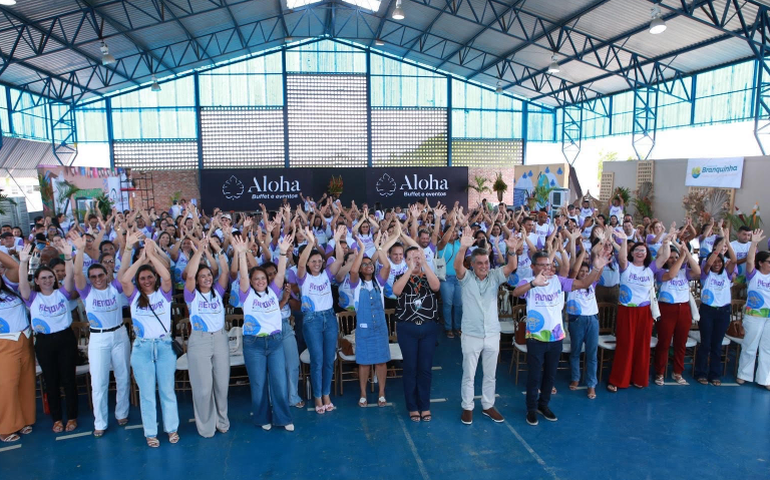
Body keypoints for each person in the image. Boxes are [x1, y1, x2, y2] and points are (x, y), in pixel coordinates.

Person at [512, 250, 608, 426]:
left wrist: (596, 268)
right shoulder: (528, 282)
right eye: (542, 265)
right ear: (533, 267)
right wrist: (534, 283)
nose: (547, 268)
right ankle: (531, 409)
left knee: (550, 375)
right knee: (534, 376)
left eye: (549, 264)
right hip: (535, 337)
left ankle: (544, 405)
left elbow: (585, 283)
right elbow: (516, 293)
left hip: (556, 337)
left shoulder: (559, 281)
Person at [455, 226, 520, 425]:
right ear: (472, 264)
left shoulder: (494, 276)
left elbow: (510, 267)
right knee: (469, 374)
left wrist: (511, 251)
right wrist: (462, 248)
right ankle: (467, 407)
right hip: (471, 334)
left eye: (486, 262)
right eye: (480, 263)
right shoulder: (465, 279)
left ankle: (488, 405)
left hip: (492, 333)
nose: (484, 266)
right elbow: (457, 267)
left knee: (490, 374)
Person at [119, 238, 180, 448]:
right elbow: (125, 280)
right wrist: (141, 259)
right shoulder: (134, 296)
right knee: (146, 394)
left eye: (149, 277)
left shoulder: (164, 293)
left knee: (167, 390)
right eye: (142, 278)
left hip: (164, 347)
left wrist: (151, 255)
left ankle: (171, 428)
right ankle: (151, 432)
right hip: (142, 348)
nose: (146, 280)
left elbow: (166, 275)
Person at [71, 231, 131, 437]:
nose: (97, 279)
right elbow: (77, 274)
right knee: (99, 382)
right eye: (93, 276)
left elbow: (123, 269)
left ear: (107, 274)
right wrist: (79, 250)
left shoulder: (115, 287)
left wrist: (128, 247)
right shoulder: (87, 292)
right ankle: (100, 422)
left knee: (122, 376)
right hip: (98, 338)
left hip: (119, 335)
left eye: (100, 275)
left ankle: (122, 413)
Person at [233, 235, 295, 431]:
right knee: (259, 384)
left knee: (279, 381)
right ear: (251, 282)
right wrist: (242, 254)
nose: (260, 281)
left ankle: (283, 418)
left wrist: (283, 252)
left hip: (275, 342)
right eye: (256, 279)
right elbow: (243, 275)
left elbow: (281, 271)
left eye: (263, 278)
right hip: (254, 345)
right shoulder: (246, 294)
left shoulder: (274, 291)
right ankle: (262, 418)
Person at [18, 240, 79, 433]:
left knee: (68, 379)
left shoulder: (63, 293)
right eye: (43, 278)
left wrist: (68, 257)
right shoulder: (32, 298)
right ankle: (57, 419)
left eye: (49, 277)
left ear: (54, 278)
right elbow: (22, 284)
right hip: (44, 342)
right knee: (50, 381)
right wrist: (23, 262)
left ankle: (71, 417)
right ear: (36, 281)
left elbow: (70, 277)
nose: (47, 280)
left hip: (65, 339)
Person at [607, 229, 672, 392]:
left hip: (645, 312)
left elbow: (664, 257)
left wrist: (666, 242)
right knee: (625, 345)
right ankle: (618, 379)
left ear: (647, 253)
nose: (640, 252)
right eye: (637, 250)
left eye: (643, 250)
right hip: (626, 311)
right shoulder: (626, 266)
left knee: (642, 345)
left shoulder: (650, 268)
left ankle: (639, 378)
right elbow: (621, 257)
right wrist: (623, 241)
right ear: (632, 253)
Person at [183, 236, 231, 438]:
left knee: (221, 385)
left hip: (219, 339)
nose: (207, 278)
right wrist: (198, 252)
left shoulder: (218, 293)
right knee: (203, 388)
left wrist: (216, 249)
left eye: (209, 275)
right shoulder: (191, 295)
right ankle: (206, 426)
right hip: (199, 341)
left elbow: (225, 271)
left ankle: (222, 420)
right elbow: (190, 276)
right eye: (202, 276)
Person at [393, 245, 441, 422]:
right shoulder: (401, 277)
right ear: (405, 260)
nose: (416, 259)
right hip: (407, 328)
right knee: (410, 368)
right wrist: (410, 269)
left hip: (428, 327)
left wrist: (425, 264)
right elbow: (397, 291)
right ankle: (412, 407)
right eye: (411, 257)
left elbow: (436, 287)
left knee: (425, 369)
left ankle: (425, 405)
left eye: (418, 256)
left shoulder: (428, 276)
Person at [297, 227, 342, 414]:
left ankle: (326, 394)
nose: (316, 263)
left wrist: (337, 240)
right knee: (317, 360)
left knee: (329, 359)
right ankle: (317, 396)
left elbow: (339, 260)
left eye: (319, 260)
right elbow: (299, 265)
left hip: (329, 318)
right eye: (313, 261)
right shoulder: (302, 278)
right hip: (312, 320)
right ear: (308, 263)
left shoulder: (327, 274)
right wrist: (310, 243)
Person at [348, 235, 391, 407]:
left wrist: (378, 247)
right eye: (364, 264)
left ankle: (381, 392)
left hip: (380, 328)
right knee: (364, 362)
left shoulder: (378, 283)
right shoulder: (356, 284)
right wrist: (363, 251)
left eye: (370, 263)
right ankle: (363, 393)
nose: (368, 266)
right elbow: (352, 271)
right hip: (364, 330)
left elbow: (386, 266)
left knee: (381, 361)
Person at [653, 239, 700, 386]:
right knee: (664, 343)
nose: (673, 260)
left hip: (683, 309)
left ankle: (677, 372)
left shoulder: (684, 272)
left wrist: (686, 253)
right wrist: (681, 257)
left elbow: (698, 272)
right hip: (667, 308)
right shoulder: (660, 272)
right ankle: (660, 373)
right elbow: (671, 275)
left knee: (681, 343)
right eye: (670, 257)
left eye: (675, 257)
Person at [0, 251, 34, 443]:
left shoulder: (9, 289)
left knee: (25, 382)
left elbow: (14, 266)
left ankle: (23, 421)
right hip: (4, 344)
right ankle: (5, 427)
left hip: (24, 339)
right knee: (6, 386)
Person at [695, 236, 737, 385]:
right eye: (715, 262)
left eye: (720, 262)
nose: (717, 264)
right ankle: (700, 373)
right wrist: (718, 249)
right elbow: (709, 262)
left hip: (723, 312)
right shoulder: (706, 274)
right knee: (706, 343)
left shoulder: (727, 273)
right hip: (707, 311)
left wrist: (727, 240)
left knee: (717, 345)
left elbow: (734, 259)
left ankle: (715, 374)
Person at [738, 229, 770, 387]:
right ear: (761, 263)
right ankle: (743, 374)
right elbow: (749, 261)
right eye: (769, 261)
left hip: (769, 317)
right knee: (750, 346)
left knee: (767, 349)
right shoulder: (753, 274)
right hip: (754, 316)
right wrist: (754, 243)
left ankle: (765, 379)